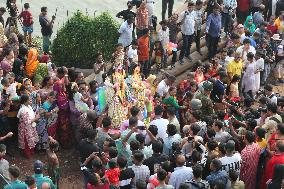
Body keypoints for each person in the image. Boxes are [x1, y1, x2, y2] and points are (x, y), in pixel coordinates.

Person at [17, 94, 40, 158]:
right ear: (25, 102)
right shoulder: (23, 110)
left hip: (30, 127)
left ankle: (31, 152)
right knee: (27, 141)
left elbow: (31, 115)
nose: (31, 101)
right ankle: (28, 155)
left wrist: (36, 116)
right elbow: (27, 122)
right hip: (25, 129)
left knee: (31, 140)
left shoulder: (29, 107)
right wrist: (36, 118)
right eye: (29, 100)